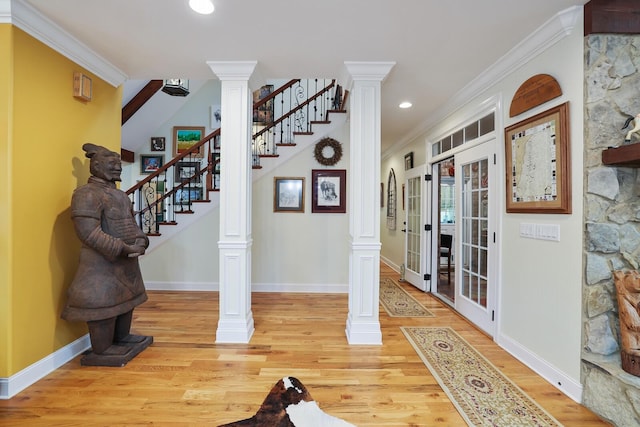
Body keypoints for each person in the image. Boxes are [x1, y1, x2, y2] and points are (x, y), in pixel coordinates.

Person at [62, 143, 152, 366]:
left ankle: (122, 337)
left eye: (118, 165)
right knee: (103, 302)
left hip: (126, 260)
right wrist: (121, 247)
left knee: (126, 299)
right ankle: (102, 348)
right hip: (101, 263)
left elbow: (130, 224)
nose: (117, 169)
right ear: (96, 166)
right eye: (111, 164)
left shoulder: (120, 195)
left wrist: (141, 239)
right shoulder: (86, 194)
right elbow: (88, 232)